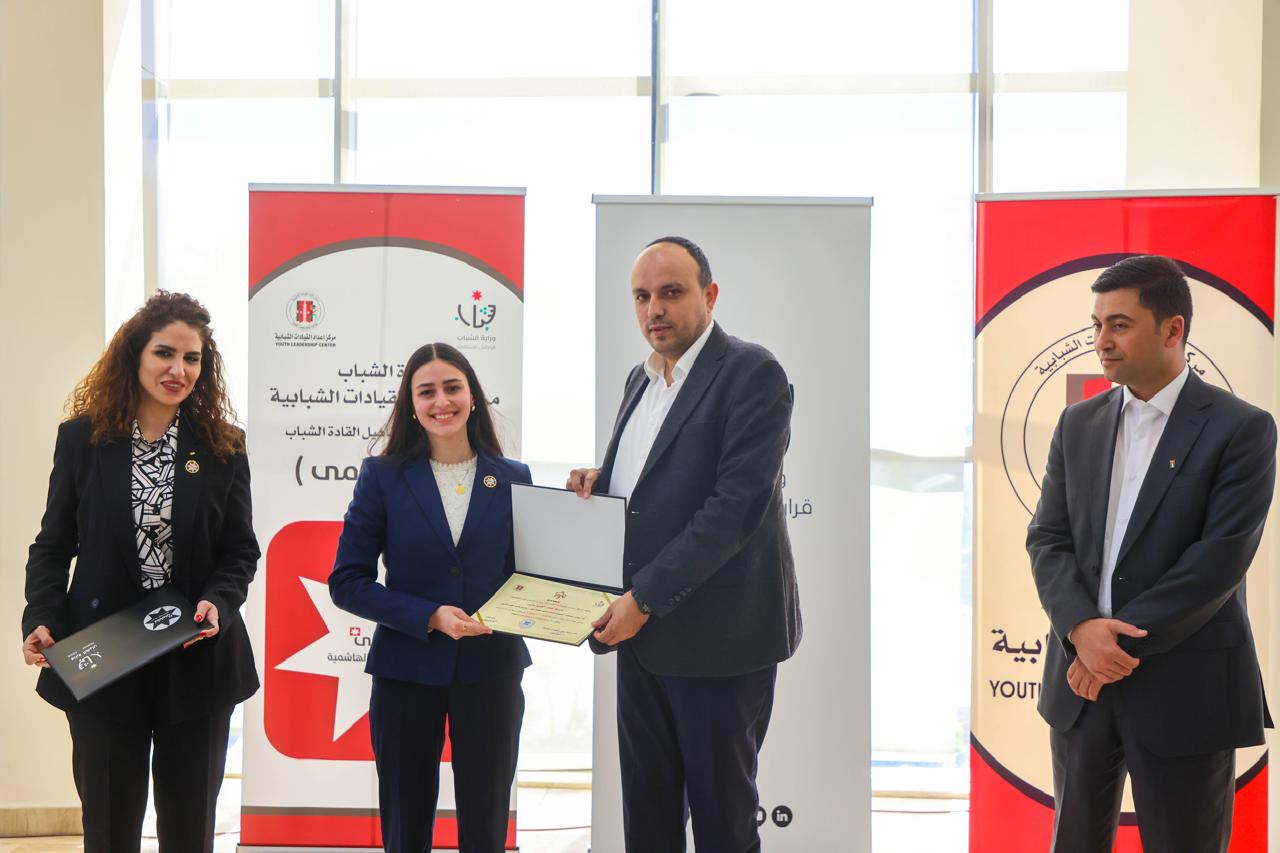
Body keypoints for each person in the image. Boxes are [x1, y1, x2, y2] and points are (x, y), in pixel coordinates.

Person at [1027, 255, 1275, 852]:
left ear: (1172, 330)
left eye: (1119, 324)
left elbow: (1218, 560)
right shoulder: (1077, 423)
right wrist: (1081, 630)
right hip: (1081, 687)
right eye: (1097, 325)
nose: (1101, 341)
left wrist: (1108, 647)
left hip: (1185, 687)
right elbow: (1048, 538)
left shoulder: (1242, 428)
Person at [568, 236, 801, 852]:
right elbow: (658, 479)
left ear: (709, 294)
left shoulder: (753, 373)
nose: (655, 310)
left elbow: (733, 509)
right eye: (642, 296)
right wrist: (602, 481)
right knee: (647, 821)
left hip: (719, 642)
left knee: (723, 827)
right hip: (642, 640)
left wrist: (642, 599)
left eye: (671, 292)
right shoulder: (640, 380)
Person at [21, 291, 260, 853]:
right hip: (104, 658)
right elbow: (53, 545)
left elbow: (239, 551)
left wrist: (219, 601)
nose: (179, 370)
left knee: (189, 832)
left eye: (192, 358)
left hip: (196, 656)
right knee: (109, 830)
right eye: (164, 353)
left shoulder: (223, 446)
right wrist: (41, 617)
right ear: (135, 355)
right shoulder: (83, 440)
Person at [329, 342, 531, 853]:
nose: (441, 401)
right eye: (427, 392)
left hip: (492, 669)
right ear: (412, 405)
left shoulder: (514, 477)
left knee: (486, 825)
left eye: (452, 388)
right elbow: (347, 581)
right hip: (405, 671)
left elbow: (529, 577)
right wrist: (429, 616)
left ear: (473, 396)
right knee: (405, 824)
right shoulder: (383, 476)